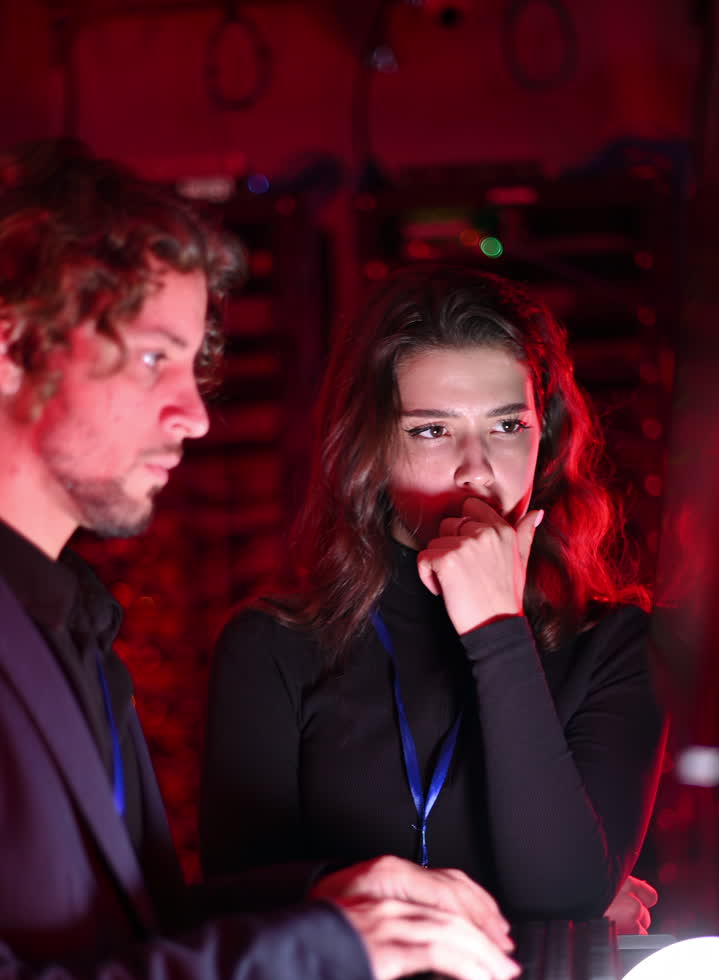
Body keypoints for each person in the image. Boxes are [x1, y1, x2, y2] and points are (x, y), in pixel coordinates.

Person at [0, 141, 520, 980]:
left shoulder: (63, 614)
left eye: (195, 363)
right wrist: (322, 949)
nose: (193, 412)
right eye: (153, 356)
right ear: (12, 346)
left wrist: (338, 896)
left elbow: (113, 948)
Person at [201, 264, 665, 932]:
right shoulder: (272, 646)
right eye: (431, 430)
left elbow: (564, 893)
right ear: (369, 449)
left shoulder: (617, 647)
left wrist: (497, 632)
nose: (477, 469)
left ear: (547, 436)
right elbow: (242, 914)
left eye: (508, 426)